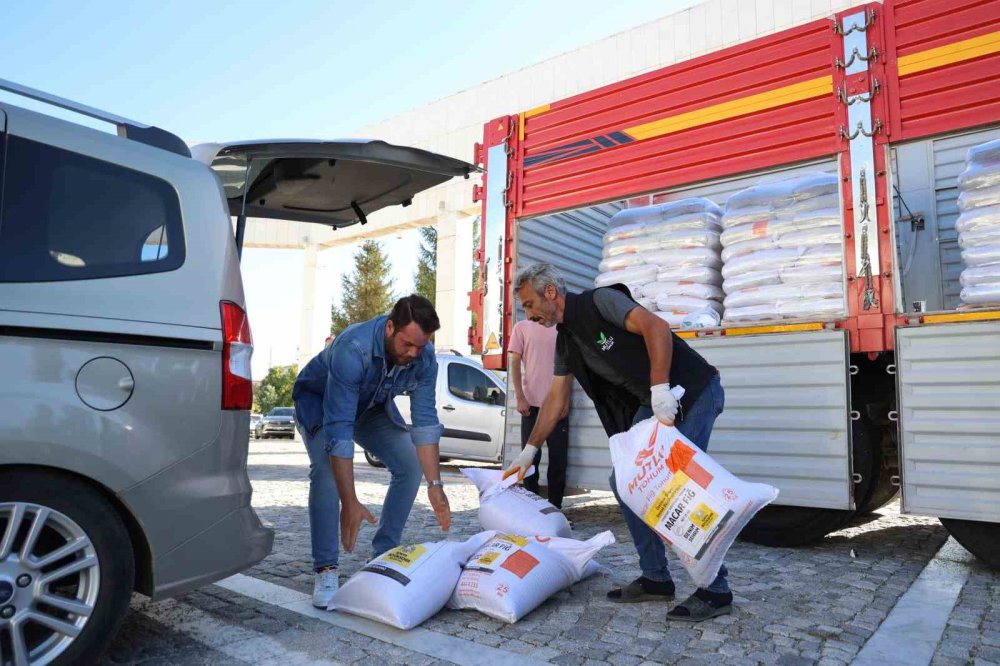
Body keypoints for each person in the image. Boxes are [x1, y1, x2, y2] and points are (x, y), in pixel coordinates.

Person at [503, 263, 730, 623]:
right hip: (655, 403)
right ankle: (656, 578)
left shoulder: (599, 302)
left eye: (529, 305)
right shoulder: (567, 340)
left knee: (673, 485)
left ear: (550, 293)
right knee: (625, 482)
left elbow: (656, 327)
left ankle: (716, 588)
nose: (528, 316)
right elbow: (555, 401)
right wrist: (529, 451)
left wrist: (659, 387)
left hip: (693, 391)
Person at [293, 295, 451, 609]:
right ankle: (326, 569)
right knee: (325, 471)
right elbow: (338, 432)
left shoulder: (424, 357)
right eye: (407, 344)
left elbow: (425, 422)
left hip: (370, 406)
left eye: (421, 346)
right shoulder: (353, 348)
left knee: (409, 463)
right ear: (390, 327)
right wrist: (349, 501)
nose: (413, 354)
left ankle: (383, 554)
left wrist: (436, 486)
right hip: (321, 402)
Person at [508, 318, 569, 508]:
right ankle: (531, 508)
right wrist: (519, 397)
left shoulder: (562, 328)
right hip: (531, 405)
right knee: (531, 461)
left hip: (557, 405)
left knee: (558, 461)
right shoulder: (522, 328)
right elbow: (514, 363)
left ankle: (556, 508)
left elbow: (569, 366)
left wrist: (566, 399)